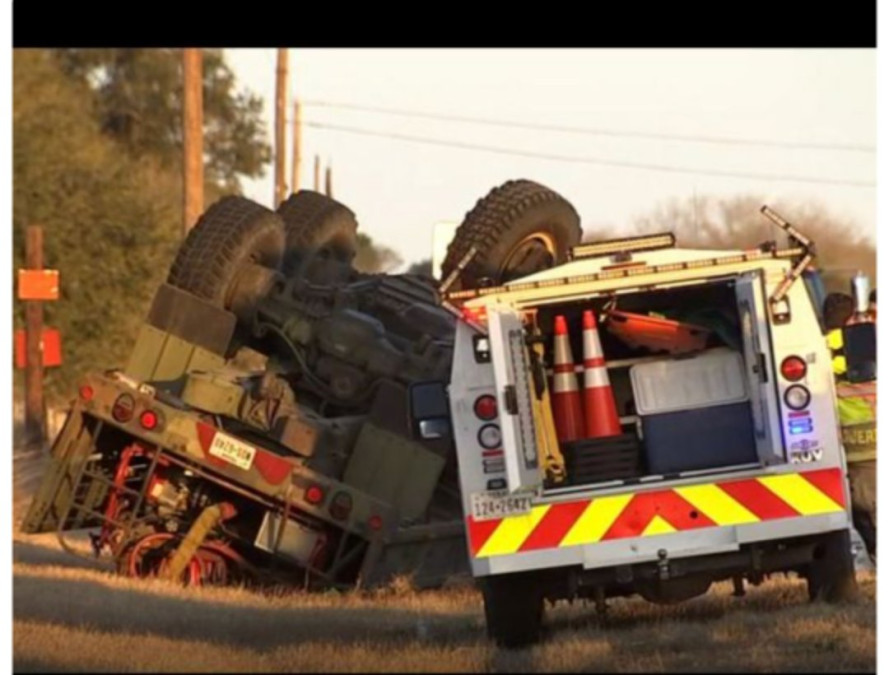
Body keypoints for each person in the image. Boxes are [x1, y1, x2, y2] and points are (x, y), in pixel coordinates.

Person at [823, 292, 876, 561]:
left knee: (863, 511)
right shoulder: (869, 342)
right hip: (874, 441)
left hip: (847, 446)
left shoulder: (819, 348)